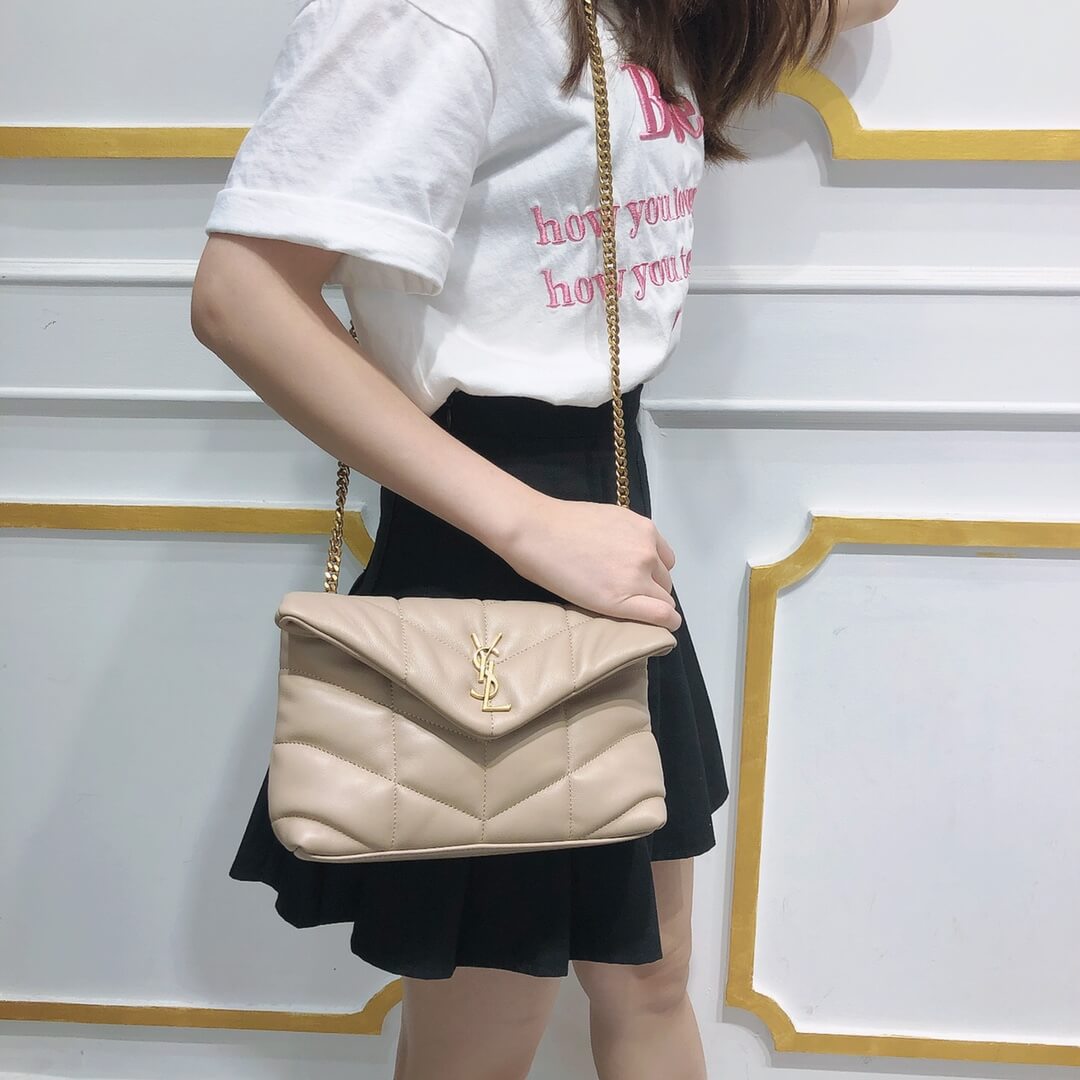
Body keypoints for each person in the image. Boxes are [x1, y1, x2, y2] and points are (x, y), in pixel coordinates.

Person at [191, 1, 898, 1076]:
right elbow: (241, 296)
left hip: (605, 521)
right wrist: (529, 528)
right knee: (492, 1012)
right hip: (491, 541)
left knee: (650, 975)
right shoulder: (439, 14)